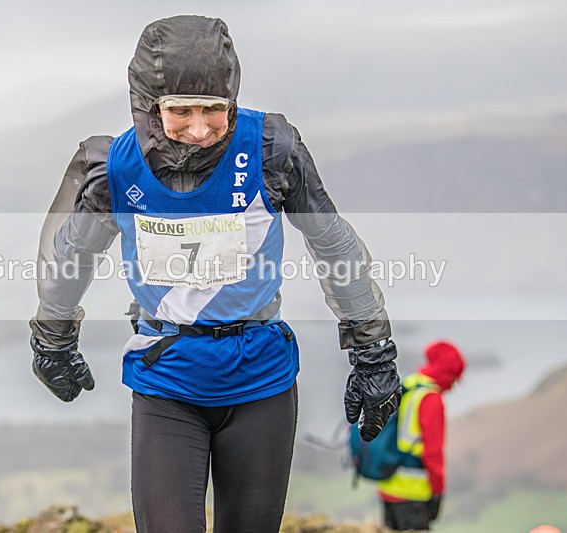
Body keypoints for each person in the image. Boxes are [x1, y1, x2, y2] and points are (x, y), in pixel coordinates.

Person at [29, 15, 401, 533]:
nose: (200, 128)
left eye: (214, 110)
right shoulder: (113, 167)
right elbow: (72, 258)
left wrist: (373, 350)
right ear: (149, 106)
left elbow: (331, 240)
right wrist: (54, 339)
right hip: (167, 382)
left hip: (260, 383)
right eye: (181, 111)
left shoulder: (272, 149)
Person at [377, 340, 466, 532]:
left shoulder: (410, 384)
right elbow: (433, 454)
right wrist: (438, 491)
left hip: (388, 484)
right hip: (413, 494)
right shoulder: (431, 399)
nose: (454, 385)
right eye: (455, 377)